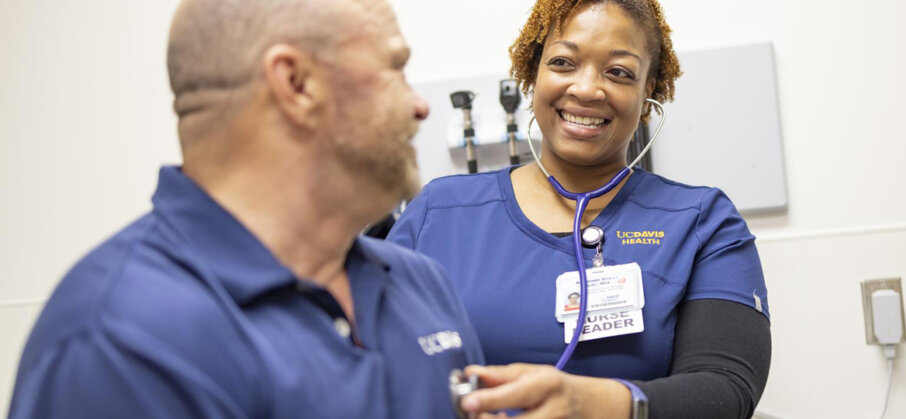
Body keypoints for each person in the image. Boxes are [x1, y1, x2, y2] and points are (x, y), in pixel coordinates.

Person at [8, 0, 484, 417]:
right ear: (296, 83)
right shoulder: (120, 341)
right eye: (394, 68)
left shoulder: (420, 283)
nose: (420, 106)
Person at [387, 0, 771, 417]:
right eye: (563, 63)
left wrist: (589, 404)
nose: (587, 89)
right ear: (533, 75)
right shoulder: (439, 212)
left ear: (648, 92)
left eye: (619, 72)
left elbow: (725, 390)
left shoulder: (702, 222)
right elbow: (368, 357)